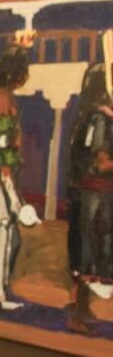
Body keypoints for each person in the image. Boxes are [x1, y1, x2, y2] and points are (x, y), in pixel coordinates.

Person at [0, 39, 40, 311]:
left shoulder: (0, 94)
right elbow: (3, 141)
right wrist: (6, 176)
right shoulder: (2, 98)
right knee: (1, 230)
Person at [66, 61, 113, 333]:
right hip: (94, 200)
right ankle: (77, 315)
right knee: (87, 258)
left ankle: (81, 310)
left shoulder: (89, 118)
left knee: (88, 256)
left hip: (92, 198)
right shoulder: (98, 120)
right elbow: (100, 163)